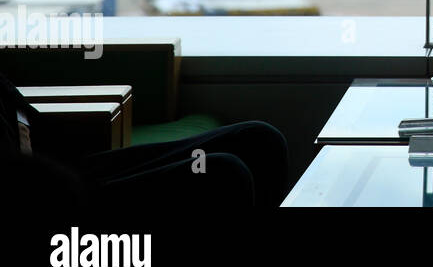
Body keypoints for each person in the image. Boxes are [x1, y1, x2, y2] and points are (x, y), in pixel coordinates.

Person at [0, 71, 288, 208]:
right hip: (46, 197)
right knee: (225, 174)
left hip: (60, 161)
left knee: (259, 139)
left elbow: (15, 102)